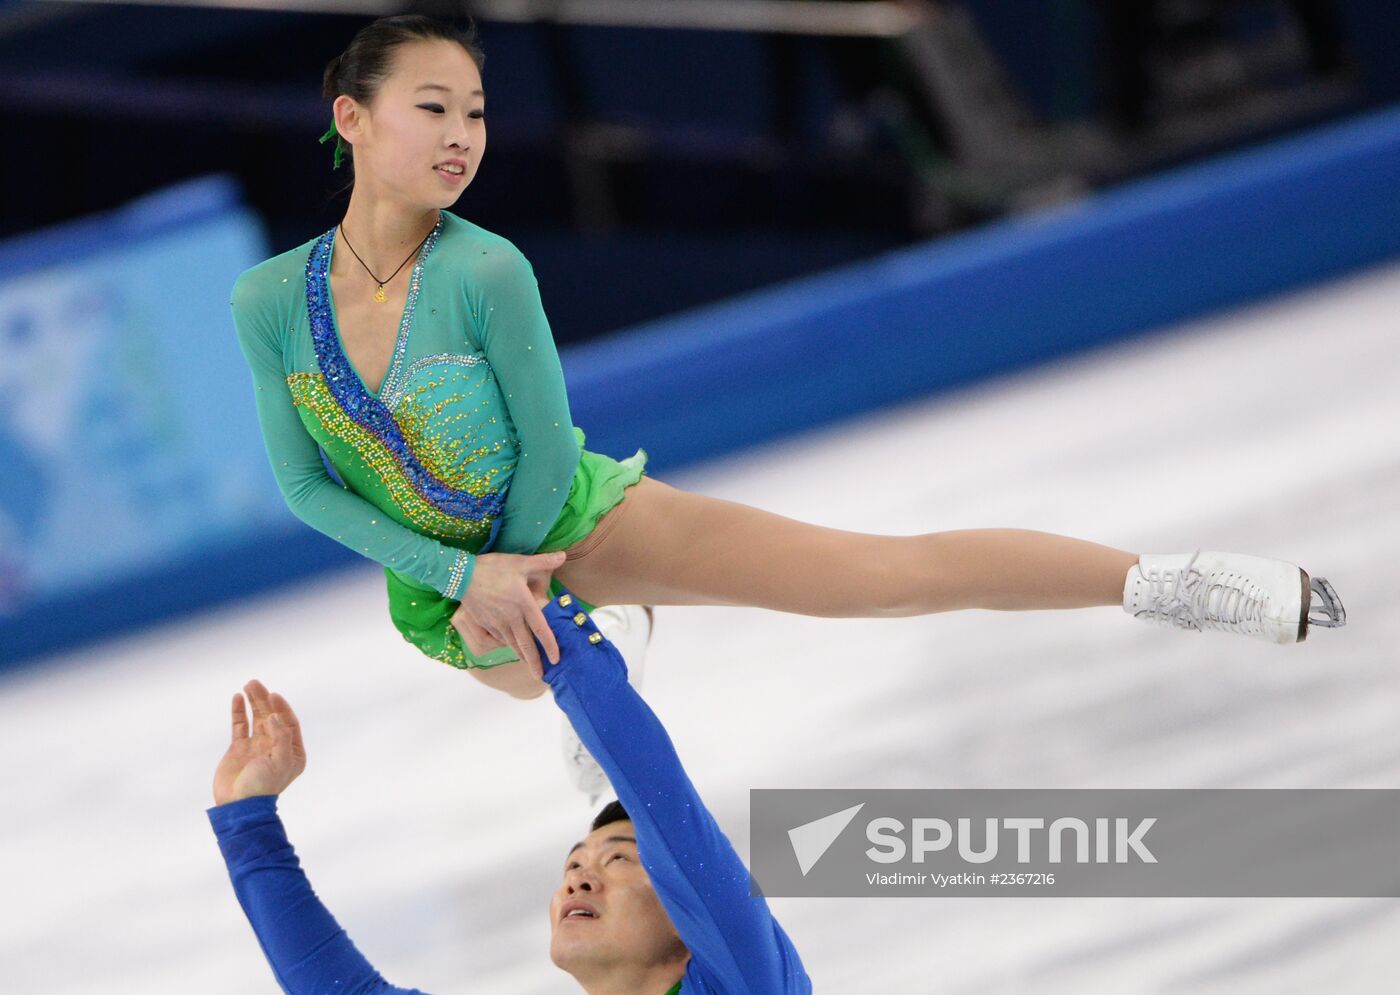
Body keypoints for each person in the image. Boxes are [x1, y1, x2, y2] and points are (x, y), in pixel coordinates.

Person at [229, 14, 1346, 703]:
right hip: (449, 591)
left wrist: (509, 569)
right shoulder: (268, 301)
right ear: (355, 119)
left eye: (475, 109)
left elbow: (535, 447)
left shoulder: (487, 270)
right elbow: (301, 480)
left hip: (575, 520)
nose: (463, 134)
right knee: (539, 688)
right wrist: (460, 578)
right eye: (433, 108)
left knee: (882, 580)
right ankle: (592, 635)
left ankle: (1166, 582)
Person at [208, 592, 812, 993]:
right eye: (575, 864)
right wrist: (247, 816)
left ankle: (605, 774)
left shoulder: (746, 979)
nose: (575, 879)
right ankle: (605, 778)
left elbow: (671, 816)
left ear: (687, 922)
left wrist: (550, 630)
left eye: (620, 859)